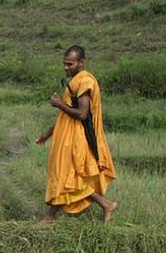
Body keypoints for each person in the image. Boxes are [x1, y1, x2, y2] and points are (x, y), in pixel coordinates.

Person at [36, 45, 118, 226]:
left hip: (76, 139)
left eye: (70, 64)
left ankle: (49, 218)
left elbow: (81, 113)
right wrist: (47, 135)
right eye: (64, 64)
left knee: (67, 176)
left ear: (81, 62)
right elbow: (65, 117)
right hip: (65, 137)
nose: (66, 68)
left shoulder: (85, 81)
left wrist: (58, 104)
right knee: (65, 176)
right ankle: (106, 204)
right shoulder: (74, 81)